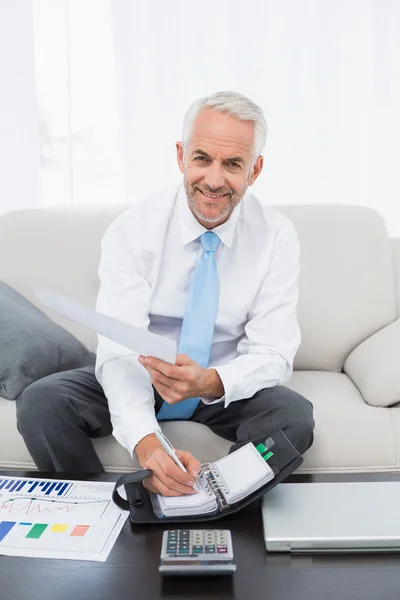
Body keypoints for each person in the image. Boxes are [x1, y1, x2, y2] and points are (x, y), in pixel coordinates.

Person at [16, 91, 314, 496]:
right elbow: (120, 352)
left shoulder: (276, 236)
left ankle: (214, 500)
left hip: (219, 384)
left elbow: (274, 354)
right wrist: (147, 443)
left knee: (294, 415)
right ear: (181, 157)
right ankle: (102, 512)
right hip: (143, 373)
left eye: (232, 164)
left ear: (255, 170)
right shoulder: (132, 231)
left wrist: (209, 381)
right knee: (41, 403)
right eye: (202, 158)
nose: (213, 179)